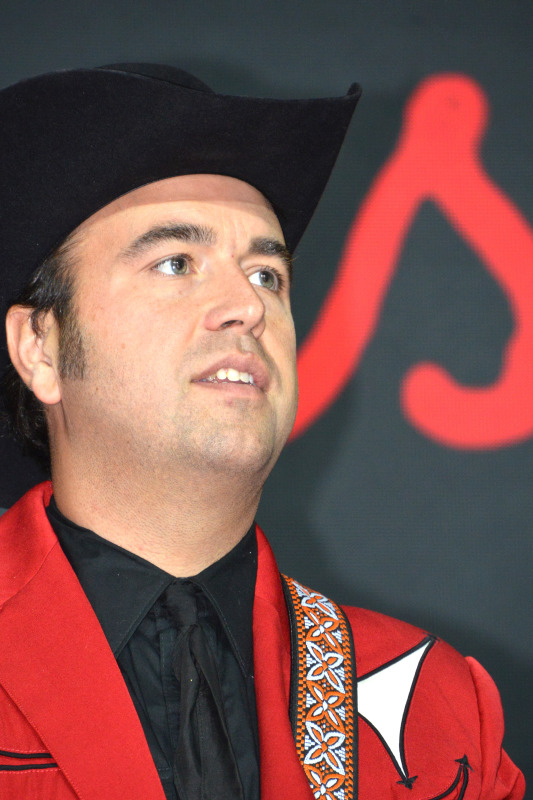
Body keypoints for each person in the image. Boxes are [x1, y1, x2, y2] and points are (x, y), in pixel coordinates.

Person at [0, 63, 524, 800]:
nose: (247, 307)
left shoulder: (436, 710)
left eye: (266, 276)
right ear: (40, 349)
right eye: (176, 263)